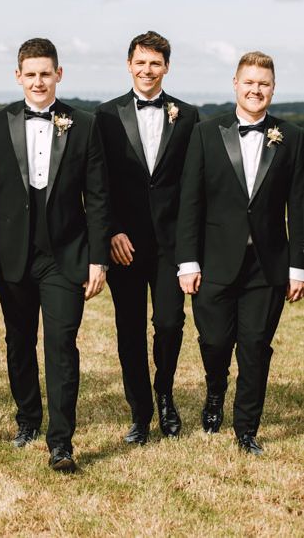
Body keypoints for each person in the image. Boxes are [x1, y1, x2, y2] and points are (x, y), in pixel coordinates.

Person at [0, 38, 110, 472]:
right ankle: (28, 417)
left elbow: (99, 196)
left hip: (66, 255)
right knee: (19, 341)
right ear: (18, 77)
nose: (38, 81)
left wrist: (98, 257)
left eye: (45, 73)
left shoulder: (84, 124)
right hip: (11, 254)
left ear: (59, 75)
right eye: (30, 74)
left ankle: (61, 442)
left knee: (62, 343)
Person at [177, 51, 304, 455]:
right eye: (249, 82)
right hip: (213, 261)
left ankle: (246, 428)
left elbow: (299, 207)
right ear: (235, 83)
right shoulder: (205, 133)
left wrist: (298, 267)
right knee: (214, 341)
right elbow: (190, 202)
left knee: (255, 347)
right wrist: (188, 260)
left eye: (263, 83)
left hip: (268, 265)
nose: (256, 89)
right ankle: (216, 392)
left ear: (273, 88)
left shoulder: (292, 138)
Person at [95, 31, 199, 444]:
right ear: (128, 64)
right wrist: (111, 231)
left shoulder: (188, 116)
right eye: (140, 62)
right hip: (125, 245)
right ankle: (140, 412)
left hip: (173, 244)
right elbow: (98, 183)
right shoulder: (104, 116)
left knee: (171, 323)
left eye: (155, 63)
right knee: (130, 329)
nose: (147, 70)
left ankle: (166, 396)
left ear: (166, 67)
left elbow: (194, 184)